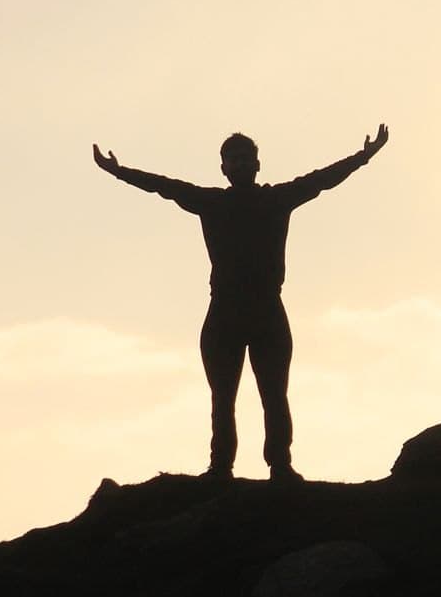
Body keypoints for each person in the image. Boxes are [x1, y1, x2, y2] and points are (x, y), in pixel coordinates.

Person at [92, 125, 389, 483]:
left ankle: (279, 465)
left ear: (257, 165)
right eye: (233, 160)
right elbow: (164, 187)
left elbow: (322, 180)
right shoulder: (212, 202)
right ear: (223, 167)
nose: (240, 165)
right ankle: (221, 468)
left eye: (245, 159)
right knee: (223, 398)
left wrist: (363, 157)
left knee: (274, 395)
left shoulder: (275, 199)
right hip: (225, 313)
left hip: (267, 310)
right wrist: (118, 171)